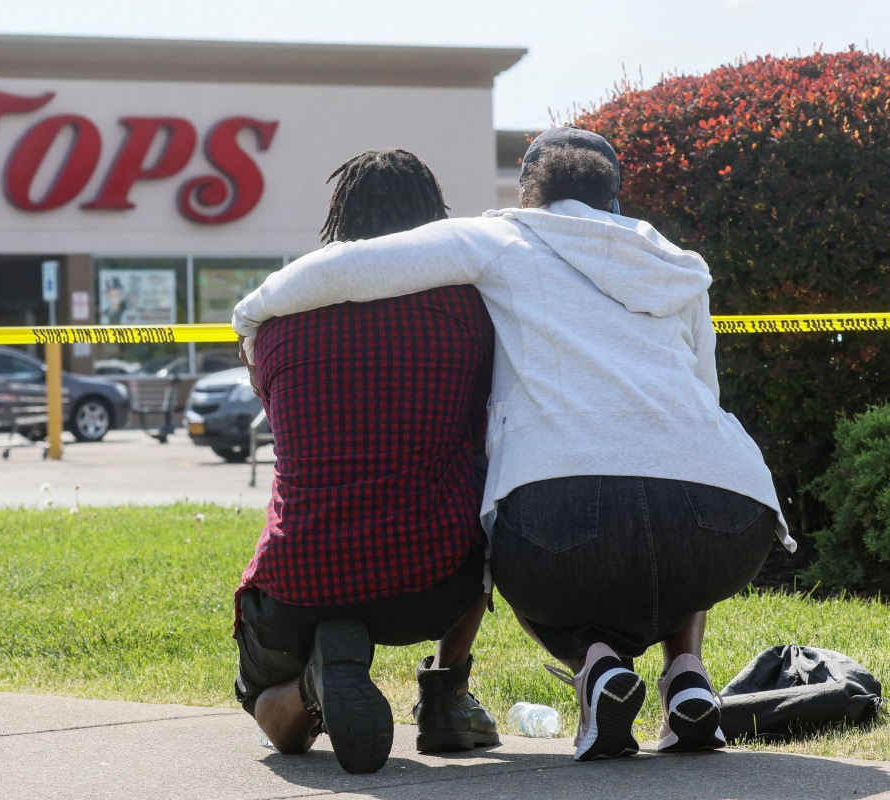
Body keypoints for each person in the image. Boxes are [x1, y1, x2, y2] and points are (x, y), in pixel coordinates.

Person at [234, 127, 797, 762]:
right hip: (729, 516)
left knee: (528, 531)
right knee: (661, 473)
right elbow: (703, 397)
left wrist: (252, 313)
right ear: (614, 199)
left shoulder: (503, 237)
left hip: (541, 518)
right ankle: (681, 676)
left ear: (528, 195)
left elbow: (357, 266)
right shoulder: (674, 264)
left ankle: (596, 666)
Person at [232, 148, 498, 775]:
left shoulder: (276, 325)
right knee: (488, 486)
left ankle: (309, 688)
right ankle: (446, 696)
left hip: (299, 581)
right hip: (429, 579)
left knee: (275, 723)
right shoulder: (470, 315)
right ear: (433, 220)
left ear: (337, 221)